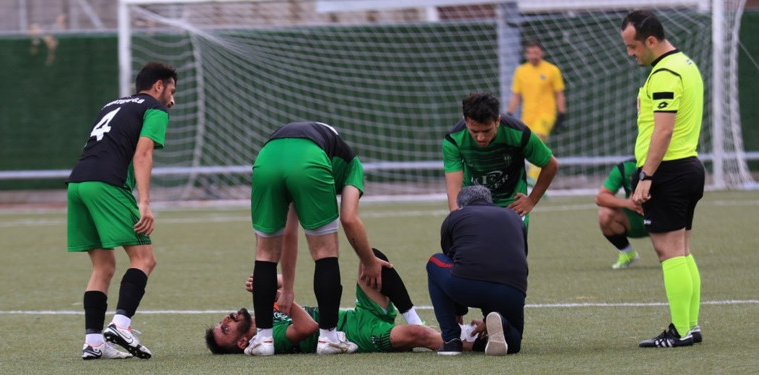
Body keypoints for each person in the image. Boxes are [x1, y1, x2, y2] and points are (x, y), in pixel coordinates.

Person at [249, 122, 391, 356]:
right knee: (325, 252)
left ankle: (263, 340)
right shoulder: (351, 163)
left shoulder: (295, 139)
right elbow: (349, 219)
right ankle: (329, 338)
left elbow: (289, 232)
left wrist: (289, 289)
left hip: (266, 158)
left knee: (264, 254)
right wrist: (369, 261)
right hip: (310, 161)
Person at [67, 61, 177, 360]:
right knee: (144, 258)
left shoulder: (110, 105)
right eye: (172, 90)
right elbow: (143, 154)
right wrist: (144, 202)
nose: (172, 99)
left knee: (103, 266)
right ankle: (120, 324)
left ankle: (93, 343)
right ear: (158, 86)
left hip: (77, 183)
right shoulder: (155, 108)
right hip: (107, 184)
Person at [621, 10, 706, 348]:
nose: (631, 53)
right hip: (686, 166)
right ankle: (690, 326)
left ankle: (681, 330)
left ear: (651, 41)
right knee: (681, 250)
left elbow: (664, 130)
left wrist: (646, 176)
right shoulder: (684, 63)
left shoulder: (666, 72)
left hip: (668, 171)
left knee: (668, 251)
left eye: (633, 46)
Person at [206, 249, 442, 355]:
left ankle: (415, 318)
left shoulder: (265, 314)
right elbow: (308, 327)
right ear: (242, 342)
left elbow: (287, 284)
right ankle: (466, 342)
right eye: (226, 328)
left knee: (372, 259)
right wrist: (278, 297)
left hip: (357, 314)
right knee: (420, 336)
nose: (228, 318)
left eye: (223, 320)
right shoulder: (268, 340)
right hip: (357, 334)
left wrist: (268, 283)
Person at [426, 185, 528, 356]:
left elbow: (453, 259)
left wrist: (458, 311)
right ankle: (500, 322)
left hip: (468, 285)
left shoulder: (455, 216)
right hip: (513, 289)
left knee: (434, 263)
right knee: (514, 342)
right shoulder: (514, 217)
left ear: (461, 205)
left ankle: (451, 340)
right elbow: (521, 255)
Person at [443, 92, 558, 232]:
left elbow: (551, 165)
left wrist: (531, 201)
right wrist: (458, 217)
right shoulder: (453, 139)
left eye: (486, 131)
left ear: (497, 120)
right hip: (474, 203)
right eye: (474, 131)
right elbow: (454, 186)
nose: (480, 137)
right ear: (465, 121)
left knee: (509, 251)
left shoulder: (518, 133)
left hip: (511, 204)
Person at [505, 40, 566, 182]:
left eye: (536, 52)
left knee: (538, 139)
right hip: (527, 115)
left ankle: (532, 177)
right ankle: (537, 181)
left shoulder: (552, 70)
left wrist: (562, 114)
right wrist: (509, 113)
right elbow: (516, 95)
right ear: (526, 54)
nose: (533, 55)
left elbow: (559, 93)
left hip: (546, 114)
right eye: (530, 52)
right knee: (530, 146)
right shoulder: (521, 71)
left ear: (542, 53)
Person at [595, 159, 648, 269]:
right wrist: (628, 203)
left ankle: (680, 252)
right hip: (635, 222)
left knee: (672, 256)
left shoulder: (670, 166)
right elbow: (601, 198)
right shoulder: (625, 168)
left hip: (664, 220)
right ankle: (627, 252)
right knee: (605, 215)